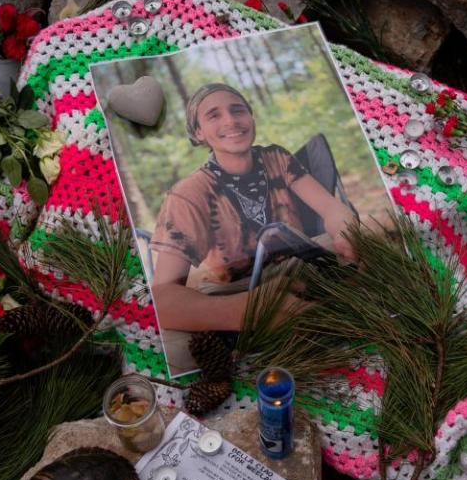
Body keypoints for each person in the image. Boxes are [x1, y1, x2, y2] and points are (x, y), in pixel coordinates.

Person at [150, 83, 358, 332]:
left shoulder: (277, 159)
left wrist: (345, 230)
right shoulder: (189, 194)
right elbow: (161, 301)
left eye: (238, 110)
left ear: (251, 117)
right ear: (198, 133)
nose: (231, 121)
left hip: (300, 271)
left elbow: (331, 208)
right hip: (236, 291)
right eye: (214, 115)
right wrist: (246, 311)